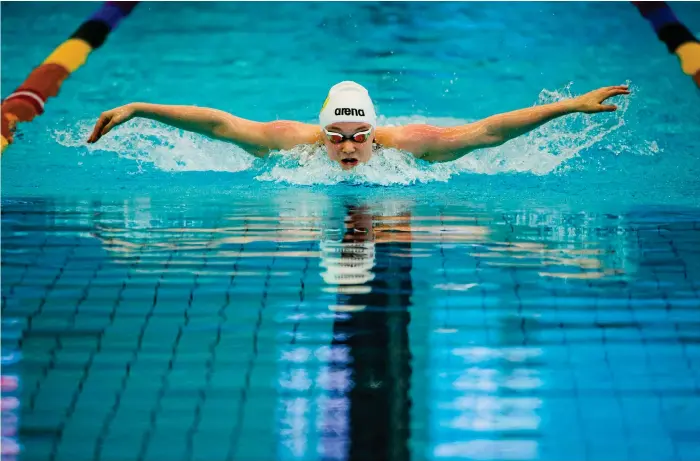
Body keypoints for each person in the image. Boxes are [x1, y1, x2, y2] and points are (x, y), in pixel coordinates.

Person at [87, 81, 630, 169]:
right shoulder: (290, 142)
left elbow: (490, 131)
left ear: (375, 132)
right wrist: (139, 108)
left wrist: (569, 105)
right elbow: (221, 125)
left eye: (358, 137)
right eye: (336, 137)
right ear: (319, 132)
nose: (348, 149)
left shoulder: (413, 145)